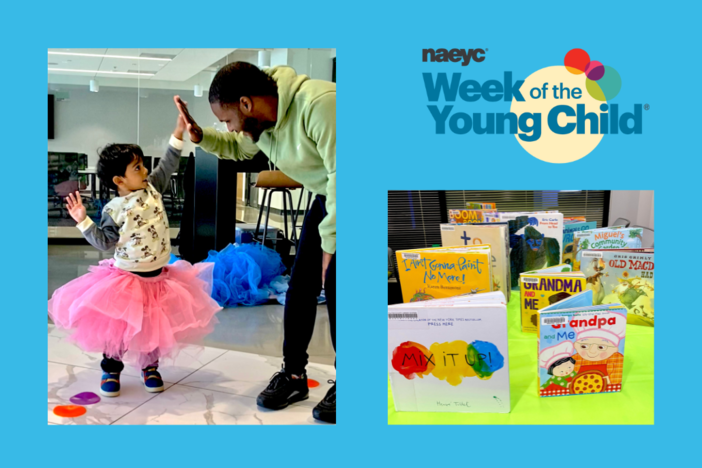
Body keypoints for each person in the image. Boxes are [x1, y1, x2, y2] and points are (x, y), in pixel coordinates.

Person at [174, 61, 336, 423]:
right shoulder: (264, 122)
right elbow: (238, 147)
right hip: (326, 198)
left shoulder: (321, 104)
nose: (229, 127)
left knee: (338, 288)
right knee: (300, 288)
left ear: (246, 104)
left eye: (228, 119)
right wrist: (201, 137)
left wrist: (331, 246)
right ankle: (294, 375)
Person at [48, 116, 222, 398]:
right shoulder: (114, 209)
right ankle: (111, 368)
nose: (144, 170)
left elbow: (168, 163)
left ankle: (150, 367)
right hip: (127, 280)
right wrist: (83, 220)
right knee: (117, 331)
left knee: (154, 327)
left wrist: (177, 133)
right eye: (137, 167)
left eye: (142, 165)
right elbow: (105, 242)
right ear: (119, 180)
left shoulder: (153, 187)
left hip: (159, 278)